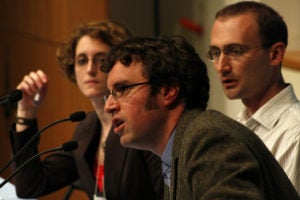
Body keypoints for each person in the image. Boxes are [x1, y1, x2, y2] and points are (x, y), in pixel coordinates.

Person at [100, 35, 300, 199]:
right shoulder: (176, 151)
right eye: (108, 94)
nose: (109, 106)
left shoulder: (208, 138)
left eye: (122, 89)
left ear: (168, 91)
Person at [9, 20, 164, 200]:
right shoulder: (86, 129)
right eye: (82, 61)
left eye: (101, 59)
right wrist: (26, 113)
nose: (90, 69)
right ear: (73, 69)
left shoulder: (141, 125)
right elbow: (30, 186)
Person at [207, 1, 300, 193]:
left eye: (235, 51)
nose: (221, 66)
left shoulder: (295, 134)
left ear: (275, 54)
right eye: (216, 53)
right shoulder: (235, 126)